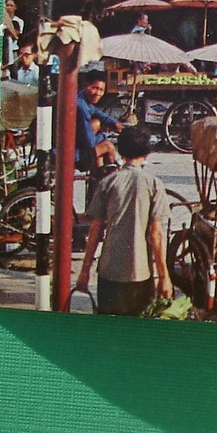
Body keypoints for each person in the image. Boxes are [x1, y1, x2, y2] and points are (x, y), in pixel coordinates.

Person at [74, 124, 172, 317]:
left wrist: (85, 271)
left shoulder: (107, 183)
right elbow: (156, 235)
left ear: (120, 150)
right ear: (147, 153)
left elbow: (95, 231)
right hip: (140, 273)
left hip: (109, 271)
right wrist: (164, 277)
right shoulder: (154, 185)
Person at [76, 72, 125, 171]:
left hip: (73, 147)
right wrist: (103, 134)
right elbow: (90, 142)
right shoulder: (81, 107)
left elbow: (96, 111)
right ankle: (112, 178)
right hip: (73, 155)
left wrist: (113, 123)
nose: (98, 93)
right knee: (108, 146)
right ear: (85, 86)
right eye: (94, 88)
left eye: (101, 90)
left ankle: (101, 176)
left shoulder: (80, 97)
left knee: (97, 124)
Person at [0, 0, 24, 75]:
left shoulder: (19, 21)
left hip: (13, 49)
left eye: (11, 5)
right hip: (2, 49)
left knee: (14, 72)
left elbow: (16, 34)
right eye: (7, 5)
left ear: (15, 7)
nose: (9, 7)